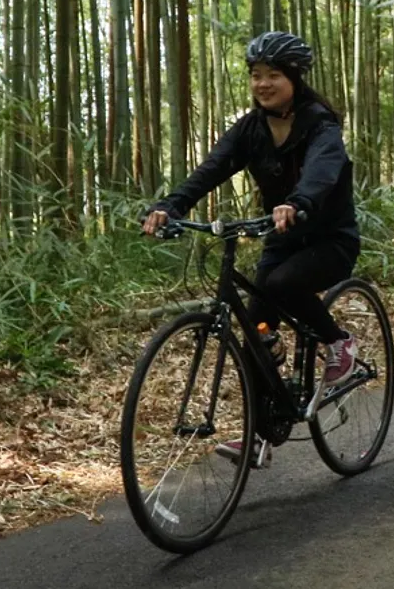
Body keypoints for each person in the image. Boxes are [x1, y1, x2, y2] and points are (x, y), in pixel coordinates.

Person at [141, 31, 360, 466]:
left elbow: (322, 170)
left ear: (294, 79)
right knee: (256, 333)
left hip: (329, 239)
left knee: (279, 285)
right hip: (280, 239)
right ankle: (260, 436)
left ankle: (340, 344)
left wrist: (298, 202)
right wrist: (171, 205)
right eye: (256, 75)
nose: (262, 84)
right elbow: (212, 168)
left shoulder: (320, 124)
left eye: (273, 75)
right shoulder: (251, 128)